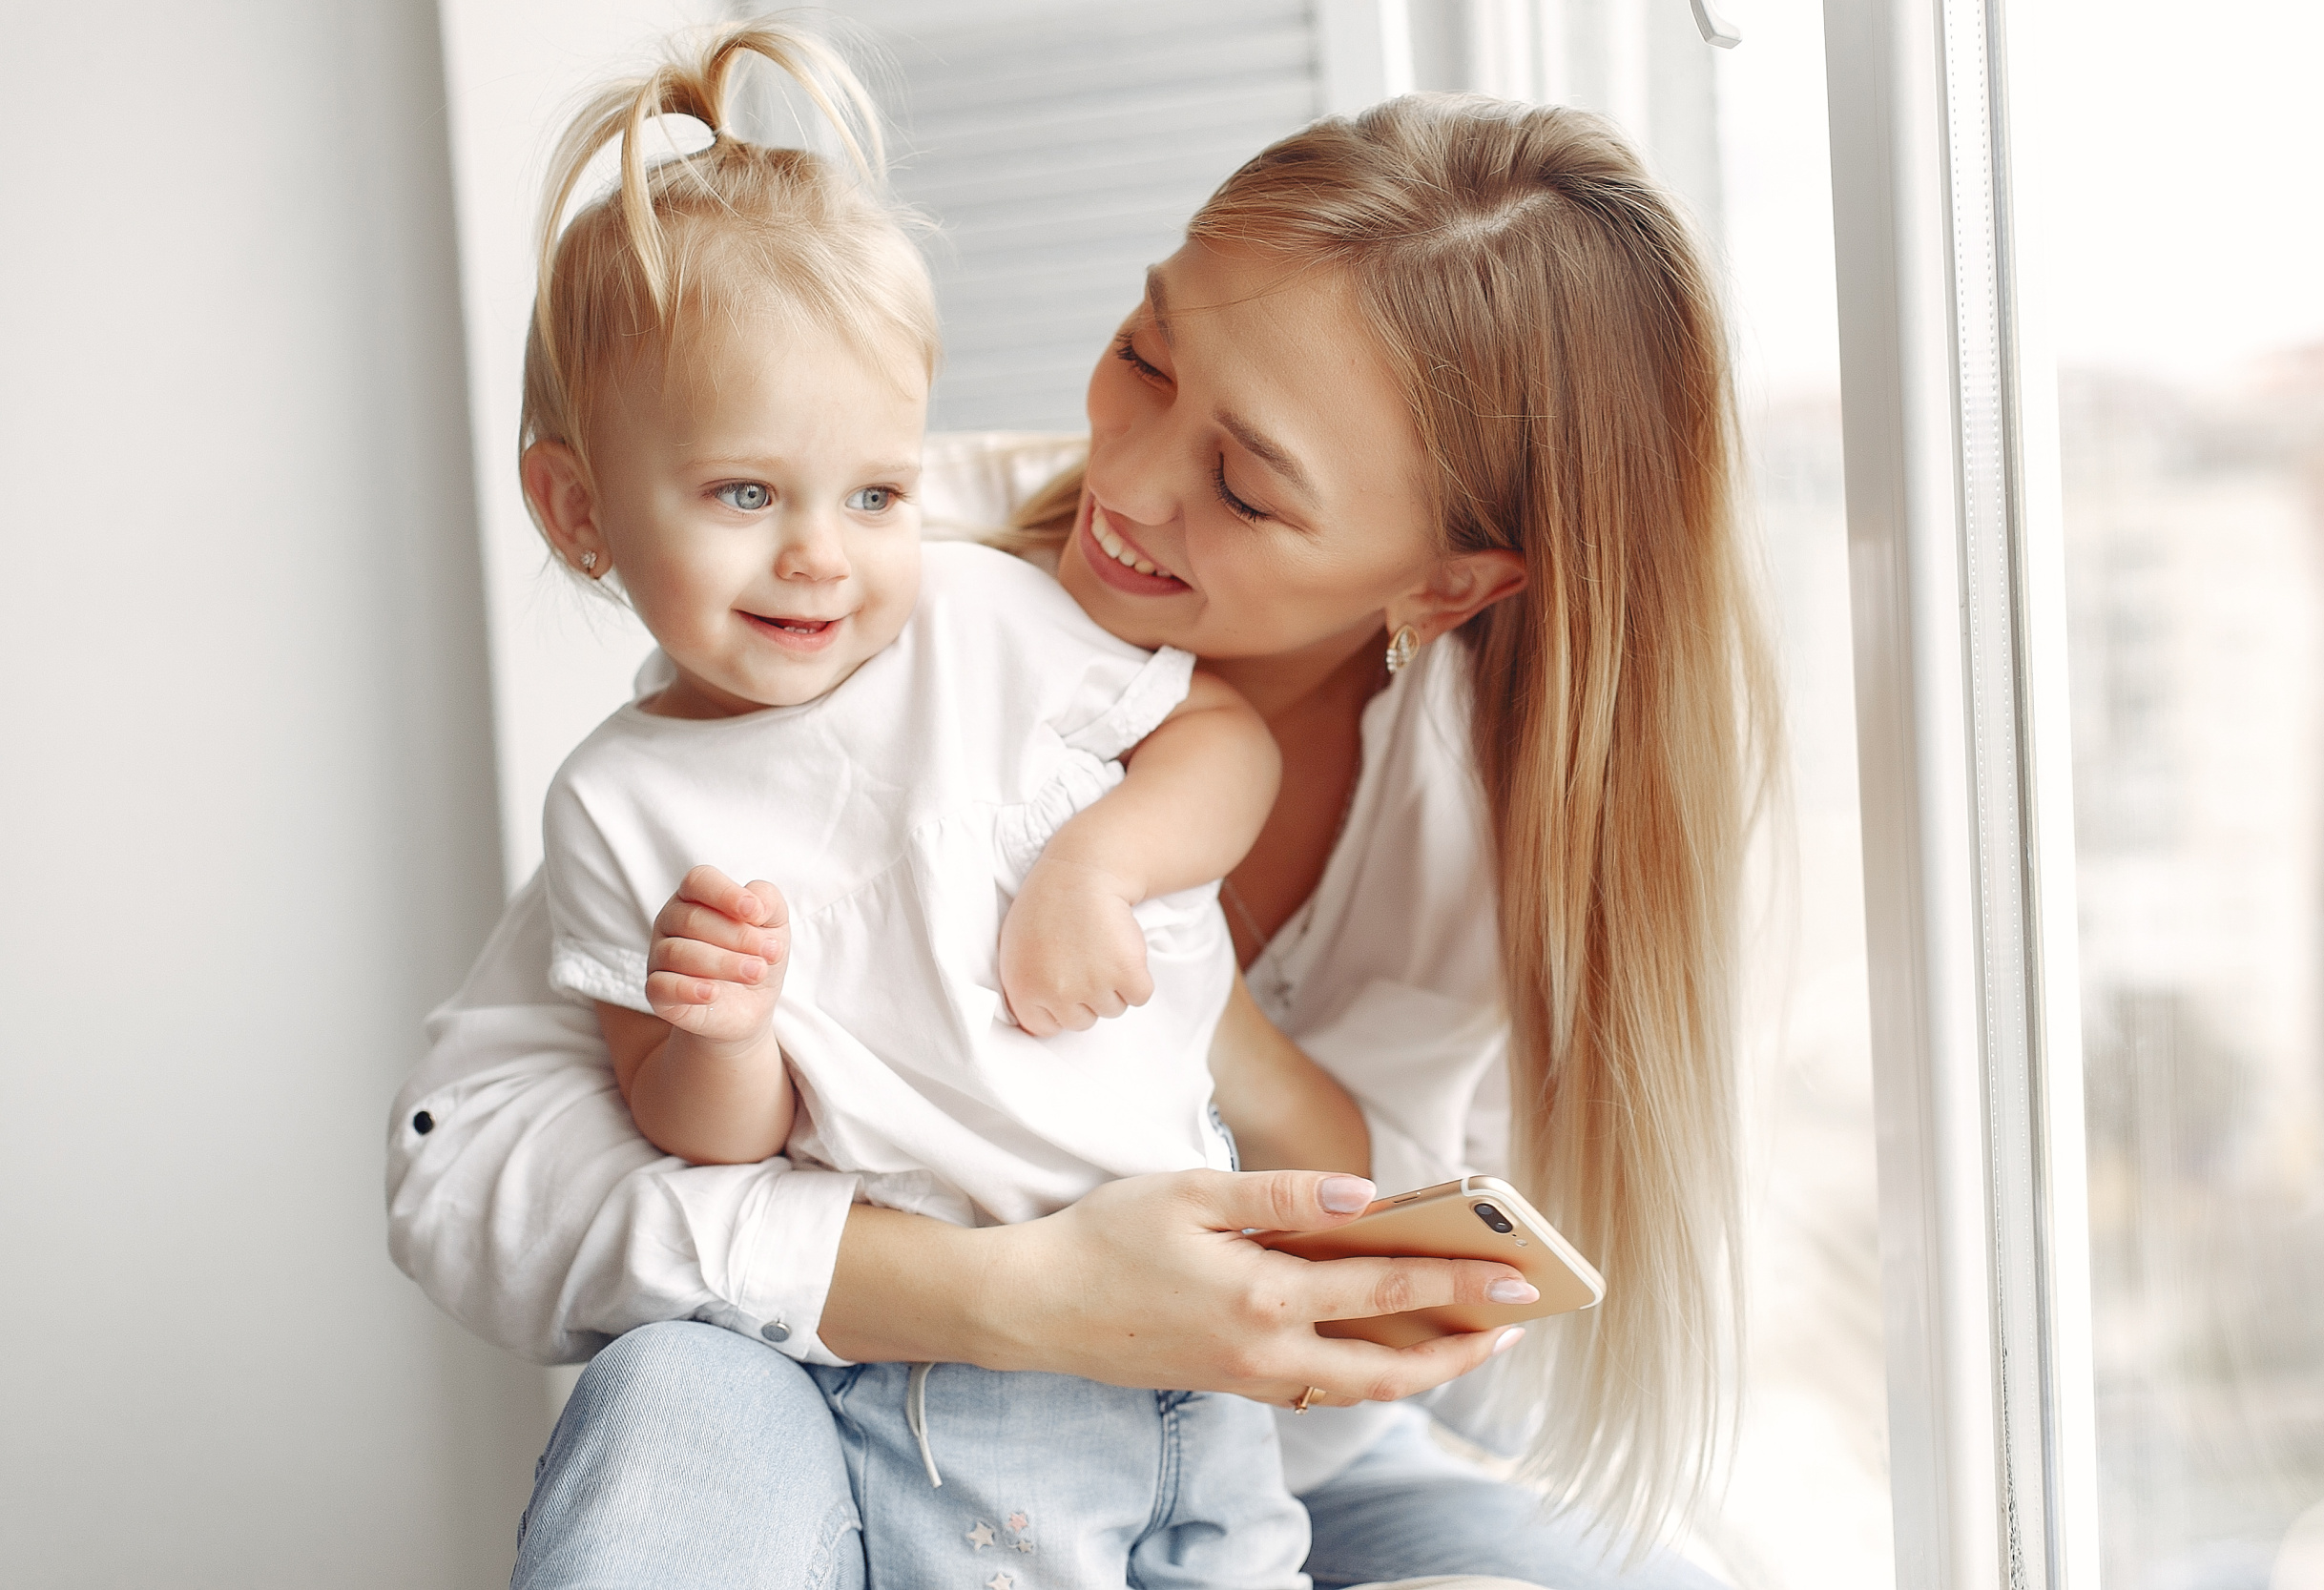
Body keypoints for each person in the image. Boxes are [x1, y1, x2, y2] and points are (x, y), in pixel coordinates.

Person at [387, 66, 1772, 1590]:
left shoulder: (1510, 820)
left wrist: (1179, 969)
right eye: (1143, 353)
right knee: (675, 1402)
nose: (1121, 475)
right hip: (875, 1413)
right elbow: (480, 1173)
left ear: (1448, 586)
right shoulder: (875, 600)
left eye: (1243, 486)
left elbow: (1410, 1301)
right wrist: (1012, 1293)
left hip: (1261, 1462)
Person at [507, 24, 1406, 1589]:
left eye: (873, 492)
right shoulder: (620, 806)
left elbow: (1220, 745)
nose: (820, 556)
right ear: (579, 509)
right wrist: (721, 1035)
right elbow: (702, 1134)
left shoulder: (979, 622)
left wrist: (1103, 863)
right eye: (742, 494)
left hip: (1201, 1320)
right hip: (942, 1388)